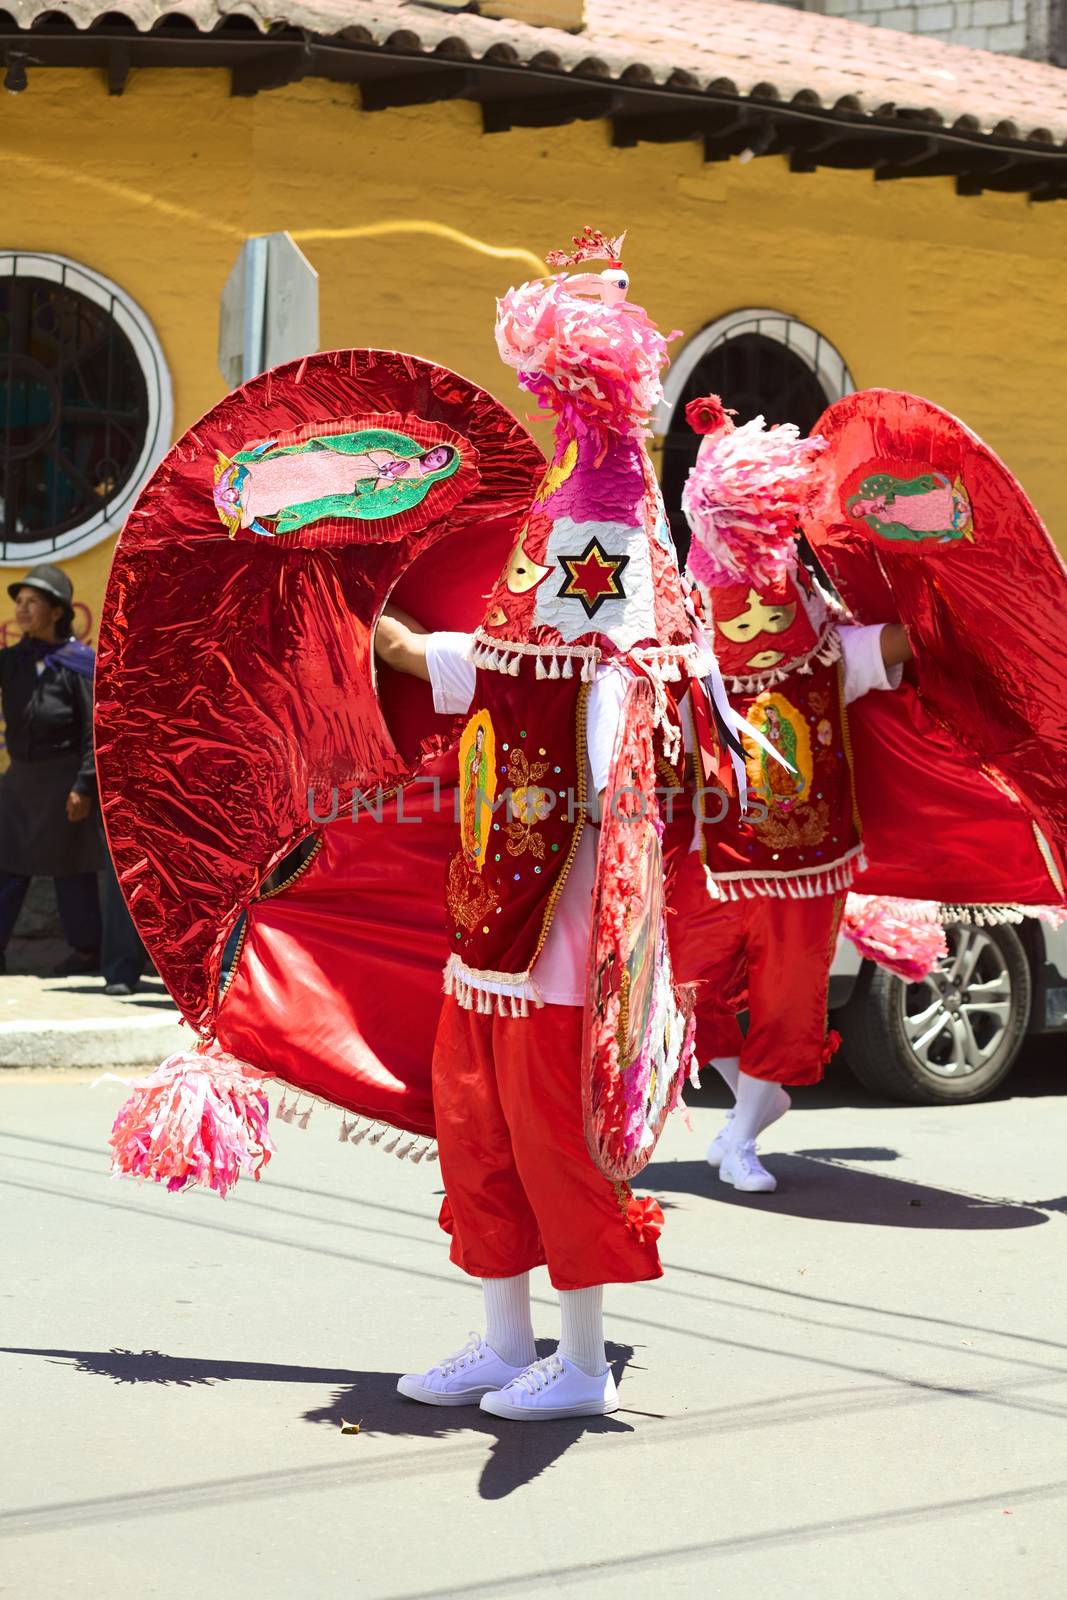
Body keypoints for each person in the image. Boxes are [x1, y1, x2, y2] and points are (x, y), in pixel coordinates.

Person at [373, 228, 710, 1422]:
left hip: (562, 874)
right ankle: (504, 1336)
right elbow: (537, 663)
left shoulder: (609, 513)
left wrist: (422, 653)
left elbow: (585, 678)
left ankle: (575, 1359)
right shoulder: (571, 500)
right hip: (497, 862)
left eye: (553, 377)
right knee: (476, 1110)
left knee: (549, 1120)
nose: (543, 392)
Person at [668, 398, 912, 1193]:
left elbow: (889, 648)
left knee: (785, 999)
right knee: (678, 978)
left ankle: (741, 1131)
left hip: (808, 856)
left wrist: (952, 582)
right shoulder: (684, 625)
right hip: (710, 847)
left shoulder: (820, 624)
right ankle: (752, 1107)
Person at [0, 565, 104, 975]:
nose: (22, 611)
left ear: (57, 611)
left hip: (65, 782)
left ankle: (86, 953)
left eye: (32, 603)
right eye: (19, 603)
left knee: (70, 869)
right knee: (6, 863)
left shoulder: (78, 664)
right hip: (21, 780)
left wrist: (84, 785)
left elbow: (92, 732)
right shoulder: (12, 661)